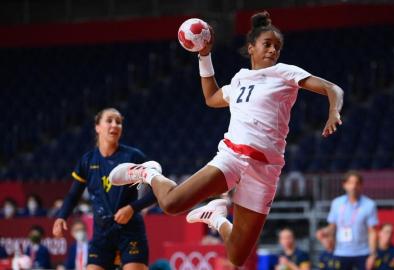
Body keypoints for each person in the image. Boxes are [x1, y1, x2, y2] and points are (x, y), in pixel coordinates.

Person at [109, 11, 344, 266]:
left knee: (237, 256)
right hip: (232, 156)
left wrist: (333, 110)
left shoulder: (284, 73)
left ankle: (217, 217)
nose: (273, 50)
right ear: (251, 47)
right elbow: (211, 98)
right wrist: (204, 55)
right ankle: (148, 173)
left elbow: (333, 88)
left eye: (277, 46)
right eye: (267, 44)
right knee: (171, 203)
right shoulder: (240, 78)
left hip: (265, 170)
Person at [52, 108, 157, 270]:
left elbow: (156, 193)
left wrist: (132, 208)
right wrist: (61, 217)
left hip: (130, 232)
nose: (115, 125)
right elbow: (73, 195)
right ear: (97, 127)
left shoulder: (133, 157)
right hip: (102, 233)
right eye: (109, 120)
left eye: (119, 122)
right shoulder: (87, 161)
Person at [317, 171, 379, 270]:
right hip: (341, 252)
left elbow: (372, 231)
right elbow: (332, 226)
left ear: (361, 186)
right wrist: (324, 232)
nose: (353, 186)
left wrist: (372, 255)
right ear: (344, 185)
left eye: (356, 183)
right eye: (350, 183)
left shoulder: (369, 205)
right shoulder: (336, 203)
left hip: (362, 252)